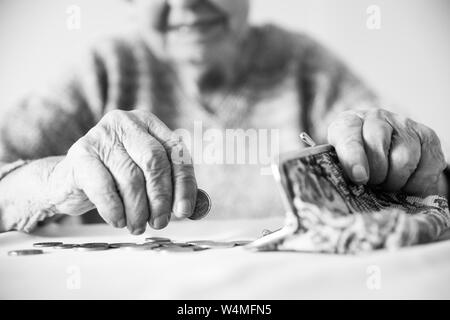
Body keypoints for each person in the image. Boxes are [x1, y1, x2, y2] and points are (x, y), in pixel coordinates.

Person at [0, 0, 448, 234]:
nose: (188, 1)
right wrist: (52, 185)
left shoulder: (306, 66)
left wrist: (419, 172)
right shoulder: (103, 71)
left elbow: (413, 171)